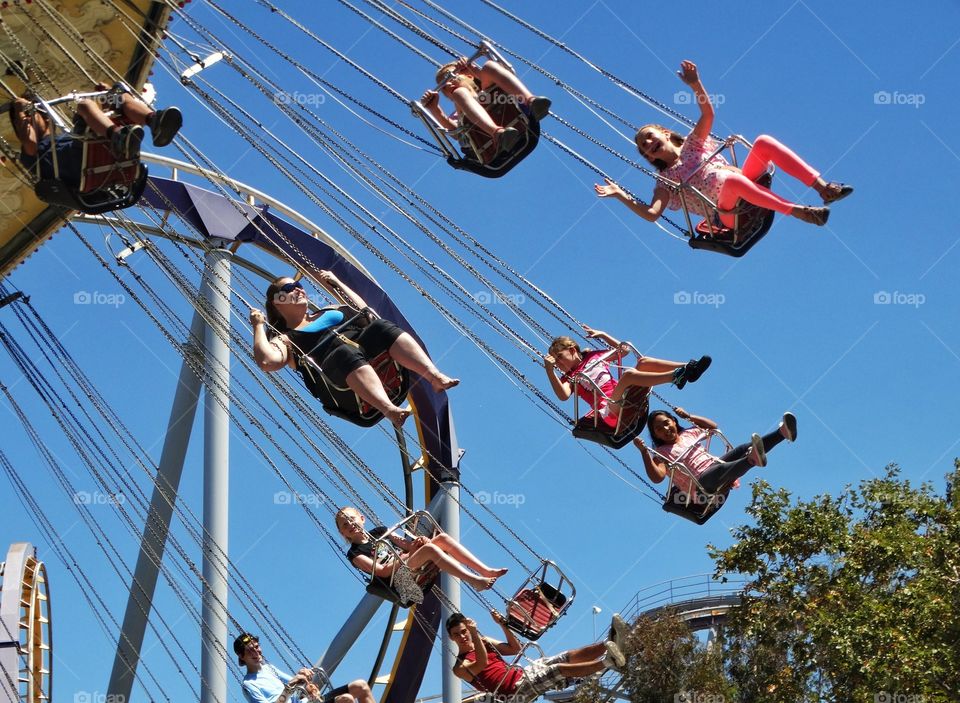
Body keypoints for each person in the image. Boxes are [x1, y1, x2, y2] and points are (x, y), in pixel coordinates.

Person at [595, 60, 853, 230]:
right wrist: (621, 195)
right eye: (644, 147)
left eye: (649, 137)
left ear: (663, 132)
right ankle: (798, 212)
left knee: (763, 141)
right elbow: (652, 213)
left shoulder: (693, 146)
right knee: (731, 183)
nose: (648, 144)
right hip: (730, 216)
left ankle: (823, 188)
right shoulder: (666, 182)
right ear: (649, 157)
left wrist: (695, 84)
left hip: (750, 186)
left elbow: (707, 114)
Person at [250, 271, 458, 427]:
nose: (298, 289)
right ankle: (390, 410)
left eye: (299, 284)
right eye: (289, 288)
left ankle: (434, 377)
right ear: (277, 302)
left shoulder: (330, 310)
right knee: (343, 353)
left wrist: (336, 283)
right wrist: (259, 325)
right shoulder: (286, 339)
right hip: (343, 385)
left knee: (380, 326)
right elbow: (267, 362)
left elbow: (365, 313)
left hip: (369, 357)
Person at [10, 82, 182, 189]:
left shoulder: (64, 138)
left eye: (33, 115)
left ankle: (154, 122)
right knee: (84, 106)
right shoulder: (29, 154)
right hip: (80, 168)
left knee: (118, 93)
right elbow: (29, 140)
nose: (30, 120)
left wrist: (107, 94)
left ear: (46, 118)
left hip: (92, 155)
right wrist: (19, 108)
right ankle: (118, 137)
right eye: (27, 118)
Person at [544, 325, 711, 430]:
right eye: (555, 361)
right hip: (610, 410)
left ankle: (689, 369)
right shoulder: (569, 378)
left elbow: (623, 351)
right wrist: (550, 371)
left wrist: (603, 335)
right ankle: (674, 377)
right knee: (629, 374)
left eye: (559, 357)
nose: (558, 363)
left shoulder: (592, 357)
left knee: (643, 362)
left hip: (625, 396)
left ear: (573, 350)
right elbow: (563, 396)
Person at [448, 610, 626, 702]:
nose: (463, 636)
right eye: (457, 634)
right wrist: (475, 634)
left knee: (565, 657)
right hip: (512, 694)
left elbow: (514, 648)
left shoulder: (483, 640)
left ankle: (608, 643)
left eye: (464, 631)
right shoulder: (459, 667)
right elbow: (482, 662)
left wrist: (503, 625)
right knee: (558, 670)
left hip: (521, 675)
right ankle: (608, 662)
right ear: (451, 638)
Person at [335, 506, 507, 593]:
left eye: (352, 519)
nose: (350, 524)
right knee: (430, 551)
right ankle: (473, 580)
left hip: (409, 561)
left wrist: (419, 542)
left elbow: (407, 545)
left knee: (441, 539)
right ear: (342, 532)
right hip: (397, 578)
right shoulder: (355, 553)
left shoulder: (380, 531)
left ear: (362, 518)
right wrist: (408, 554)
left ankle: (485, 570)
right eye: (345, 524)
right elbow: (381, 571)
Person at [635, 408, 798, 496]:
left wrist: (689, 416)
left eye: (666, 423)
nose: (665, 429)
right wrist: (644, 452)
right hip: (701, 485)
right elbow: (657, 477)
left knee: (741, 448)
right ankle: (752, 459)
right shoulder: (660, 453)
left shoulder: (688, 434)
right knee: (718, 471)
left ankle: (783, 433)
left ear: (674, 422)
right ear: (655, 435)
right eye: (658, 429)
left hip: (714, 465)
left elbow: (712, 427)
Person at [420, 56, 551, 155]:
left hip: (509, 108)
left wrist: (473, 69)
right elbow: (457, 134)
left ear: (468, 75)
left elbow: (493, 75)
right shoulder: (457, 112)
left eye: (453, 75)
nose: (449, 83)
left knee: (489, 66)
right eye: (444, 85)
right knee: (460, 93)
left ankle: (531, 102)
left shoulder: (486, 88)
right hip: (484, 140)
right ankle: (498, 133)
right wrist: (435, 109)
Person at [233, 631, 376, 703]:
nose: (256, 652)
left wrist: (307, 685)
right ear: (241, 656)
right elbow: (290, 686)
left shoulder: (269, 668)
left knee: (360, 686)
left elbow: (298, 684)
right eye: (249, 650)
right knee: (347, 699)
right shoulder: (249, 684)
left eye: (257, 647)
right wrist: (289, 687)